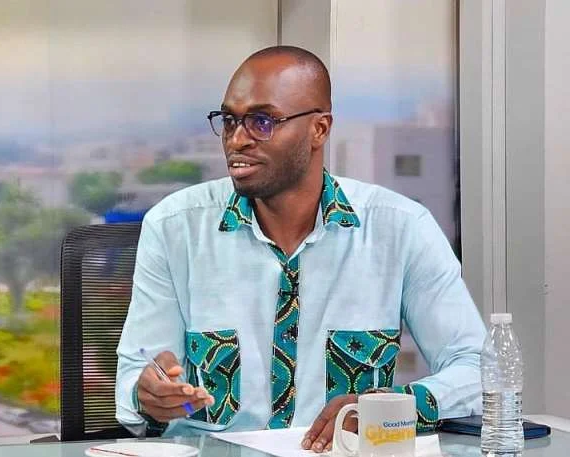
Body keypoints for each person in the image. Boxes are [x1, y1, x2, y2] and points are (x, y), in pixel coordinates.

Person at [116, 45, 486, 452]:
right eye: (229, 120)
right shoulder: (174, 227)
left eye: (262, 121)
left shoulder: (400, 228)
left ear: (319, 129)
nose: (237, 140)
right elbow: (138, 379)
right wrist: (150, 397)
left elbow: (478, 370)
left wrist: (391, 409)